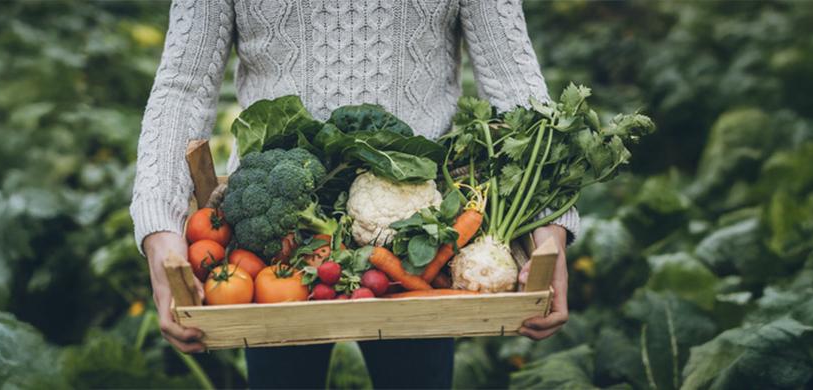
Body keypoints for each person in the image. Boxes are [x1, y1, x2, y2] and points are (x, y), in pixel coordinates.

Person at [131, 0, 572, 388]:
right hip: (276, 237)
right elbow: (182, 87)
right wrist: (159, 229)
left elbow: (514, 81)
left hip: (421, 238)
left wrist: (549, 227)